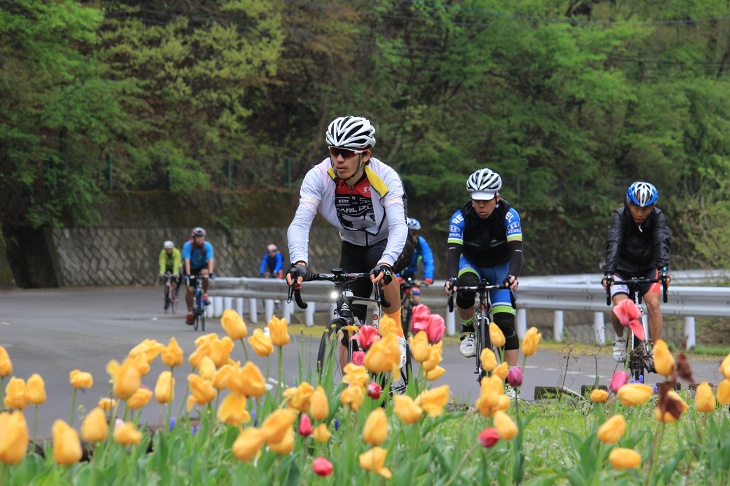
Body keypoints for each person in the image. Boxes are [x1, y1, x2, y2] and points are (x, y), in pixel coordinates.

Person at [286, 115, 414, 363]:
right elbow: (300, 223)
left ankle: (396, 332)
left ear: (365, 155)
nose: (339, 159)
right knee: (348, 323)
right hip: (352, 245)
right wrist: (299, 262)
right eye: (334, 151)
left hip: (388, 241)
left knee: (380, 264)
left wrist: (387, 262)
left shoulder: (385, 176)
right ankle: (350, 395)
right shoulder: (319, 176)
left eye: (346, 152)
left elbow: (399, 226)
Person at [444, 168, 523, 367]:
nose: (481, 205)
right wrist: (452, 278)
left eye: (486, 200)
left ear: (497, 197)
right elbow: (453, 251)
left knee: (505, 323)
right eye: (476, 199)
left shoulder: (509, 215)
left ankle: (510, 381)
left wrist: (512, 275)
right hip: (471, 263)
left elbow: (516, 250)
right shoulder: (460, 217)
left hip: (501, 267)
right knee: (466, 285)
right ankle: (468, 331)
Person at [601, 182, 671, 363]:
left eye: (645, 209)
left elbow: (661, 241)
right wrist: (608, 273)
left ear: (652, 207)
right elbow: (613, 242)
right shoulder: (620, 216)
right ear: (628, 203)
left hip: (648, 268)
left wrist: (663, 270)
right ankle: (619, 339)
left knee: (653, 304)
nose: (639, 213)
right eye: (635, 207)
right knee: (620, 307)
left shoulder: (657, 217)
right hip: (622, 269)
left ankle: (657, 353)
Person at [397, 217, 435, 305]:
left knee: (416, 299)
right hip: (395, 274)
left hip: (410, 275)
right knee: (395, 301)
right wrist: (397, 276)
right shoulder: (397, 241)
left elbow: (428, 259)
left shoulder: (421, 243)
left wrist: (428, 277)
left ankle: (410, 316)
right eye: (409, 233)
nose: (412, 236)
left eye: (414, 234)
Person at [182, 226, 215, 325]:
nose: (200, 240)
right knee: (190, 290)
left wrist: (210, 272)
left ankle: (204, 295)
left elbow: (210, 260)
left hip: (202, 266)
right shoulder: (188, 246)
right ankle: (189, 311)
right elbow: (186, 261)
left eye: (202, 237)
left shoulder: (207, 246)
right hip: (191, 268)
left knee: (205, 275)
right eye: (198, 238)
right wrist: (188, 275)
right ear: (194, 238)